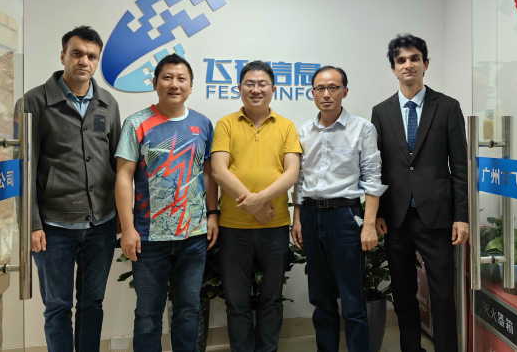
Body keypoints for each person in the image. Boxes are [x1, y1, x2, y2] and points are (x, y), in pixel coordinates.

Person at [24, 25, 121, 352]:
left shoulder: (108, 103)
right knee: (57, 306)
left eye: (91, 56)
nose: (84, 61)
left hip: (101, 225)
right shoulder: (35, 102)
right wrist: (32, 224)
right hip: (54, 227)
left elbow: (117, 165)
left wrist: (121, 220)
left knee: (92, 303)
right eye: (77, 53)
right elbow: (24, 169)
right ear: (62, 55)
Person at [371, 34, 469, 352]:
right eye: (401, 60)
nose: (408, 65)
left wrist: (461, 216)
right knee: (402, 294)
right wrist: (379, 213)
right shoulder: (381, 112)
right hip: (397, 218)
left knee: (442, 295)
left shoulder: (448, 107)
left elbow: (460, 167)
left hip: (437, 217)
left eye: (414, 58)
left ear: (425, 64)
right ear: (393, 68)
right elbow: (378, 167)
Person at [114, 53, 218, 352]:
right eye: (167, 77)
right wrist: (127, 228)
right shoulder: (137, 123)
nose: (175, 84)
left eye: (181, 79)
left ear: (191, 86)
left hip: (193, 236)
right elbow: (124, 176)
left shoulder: (202, 124)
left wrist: (212, 214)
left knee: (189, 310)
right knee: (148, 314)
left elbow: (208, 174)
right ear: (155, 83)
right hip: (149, 237)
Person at [291, 65, 387, 352]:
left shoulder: (362, 128)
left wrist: (368, 224)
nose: (326, 94)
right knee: (320, 299)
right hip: (311, 216)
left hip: (345, 217)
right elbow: (300, 179)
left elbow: (373, 177)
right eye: (320, 88)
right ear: (312, 93)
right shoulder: (303, 131)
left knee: (352, 299)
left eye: (333, 87)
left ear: (345, 91)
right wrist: (297, 218)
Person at [211, 60, 302, 352]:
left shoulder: (286, 126)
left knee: (271, 298)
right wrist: (254, 206)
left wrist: (259, 201)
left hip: (274, 227)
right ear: (239, 88)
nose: (256, 89)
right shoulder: (226, 124)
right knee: (236, 301)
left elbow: (292, 173)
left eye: (262, 84)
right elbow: (219, 170)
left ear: (273, 89)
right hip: (233, 228)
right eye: (250, 84)